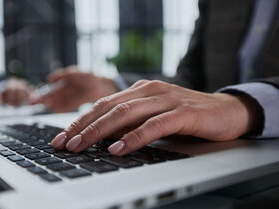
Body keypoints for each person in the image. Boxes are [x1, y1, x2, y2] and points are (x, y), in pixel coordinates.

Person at [47, 0, 279, 154]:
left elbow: (213, 103)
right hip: (210, 154)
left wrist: (240, 106)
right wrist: (111, 87)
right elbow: (190, 78)